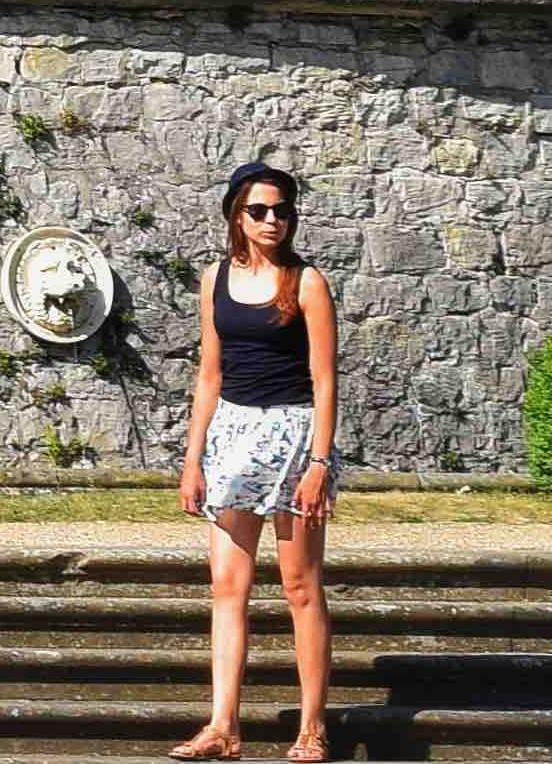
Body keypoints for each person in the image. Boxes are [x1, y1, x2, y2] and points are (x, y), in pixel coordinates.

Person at [174, 160, 340, 762]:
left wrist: (319, 461)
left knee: (300, 586)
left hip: (295, 435)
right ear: (236, 216)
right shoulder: (214, 278)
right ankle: (223, 726)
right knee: (227, 586)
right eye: (260, 211)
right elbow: (209, 375)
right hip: (232, 434)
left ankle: (312, 728)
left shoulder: (308, 283)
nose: (273, 221)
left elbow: (325, 380)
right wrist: (193, 461)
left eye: (283, 211)